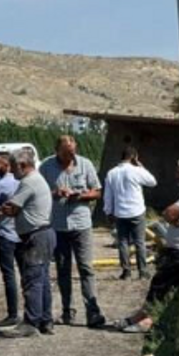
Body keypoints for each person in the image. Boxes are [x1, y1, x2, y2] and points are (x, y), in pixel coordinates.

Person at [118, 156, 179, 334]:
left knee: (161, 284)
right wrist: (175, 220)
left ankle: (147, 320)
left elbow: (169, 213)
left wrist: (172, 219)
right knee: (161, 283)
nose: (177, 175)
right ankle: (141, 316)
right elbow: (174, 215)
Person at [40, 135, 106, 328]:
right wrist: (55, 193)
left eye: (73, 151)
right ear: (57, 151)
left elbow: (98, 191)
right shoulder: (46, 167)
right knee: (62, 270)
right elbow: (39, 192)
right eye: (67, 152)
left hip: (81, 224)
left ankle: (93, 312)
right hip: (58, 226)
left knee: (86, 268)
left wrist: (81, 196)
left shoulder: (85, 164)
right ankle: (68, 311)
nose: (71, 155)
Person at [0, 147, 55, 338]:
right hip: (43, 234)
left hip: (36, 236)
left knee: (32, 280)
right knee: (42, 279)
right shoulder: (36, 180)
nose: (11, 171)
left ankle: (31, 322)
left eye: (14, 167)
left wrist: (4, 210)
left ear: (23, 165)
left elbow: (11, 208)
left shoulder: (28, 182)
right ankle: (45, 320)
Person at [102, 146, 157, 280]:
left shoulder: (111, 173)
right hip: (137, 211)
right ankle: (143, 271)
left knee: (123, 242)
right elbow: (152, 182)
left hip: (120, 213)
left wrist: (108, 211)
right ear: (134, 157)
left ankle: (126, 272)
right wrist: (141, 166)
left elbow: (108, 195)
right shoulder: (137, 171)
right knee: (139, 242)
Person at [0, 151, 22, 326]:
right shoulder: (24, 182)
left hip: (6, 235)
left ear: (6, 165)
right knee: (27, 275)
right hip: (24, 233)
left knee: (9, 275)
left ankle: (13, 314)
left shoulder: (0, 186)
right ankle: (33, 312)